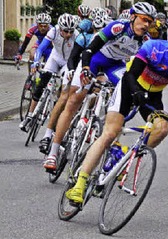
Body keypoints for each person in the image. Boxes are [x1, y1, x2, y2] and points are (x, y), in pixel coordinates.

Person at [64, 26, 168, 205]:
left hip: (153, 96)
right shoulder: (153, 48)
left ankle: (123, 161)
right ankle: (79, 184)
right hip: (130, 86)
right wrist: (136, 92)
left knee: (161, 129)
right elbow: (130, 74)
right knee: (110, 133)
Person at [39, 2, 156, 170]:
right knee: (73, 102)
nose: (146, 25)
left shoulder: (145, 41)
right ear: (132, 16)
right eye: (144, 19)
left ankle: (109, 135)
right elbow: (89, 50)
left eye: (149, 22)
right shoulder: (117, 27)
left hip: (115, 65)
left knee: (127, 91)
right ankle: (53, 153)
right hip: (95, 59)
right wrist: (85, 69)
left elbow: (141, 70)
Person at [40, 14, 108, 160]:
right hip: (76, 65)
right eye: (97, 29)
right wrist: (71, 69)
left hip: (97, 69)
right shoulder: (83, 37)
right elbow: (73, 57)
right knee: (65, 97)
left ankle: (88, 121)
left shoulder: (113, 41)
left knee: (97, 92)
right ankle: (48, 137)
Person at [19, 14, 79, 132]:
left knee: (64, 88)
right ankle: (29, 116)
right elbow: (41, 48)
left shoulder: (76, 36)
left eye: (71, 31)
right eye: (65, 31)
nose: (68, 34)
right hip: (55, 58)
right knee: (41, 84)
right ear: (60, 28)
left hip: (68, 62)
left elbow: (78, 54)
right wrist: (36, 61)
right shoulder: (53, 31)